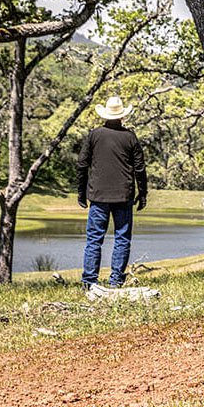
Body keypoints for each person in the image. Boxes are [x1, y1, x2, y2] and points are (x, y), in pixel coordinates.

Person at [77, 95, 148, 289]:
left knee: (94, 240)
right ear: (122, 116)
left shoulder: (94, 135)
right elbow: (140, 168)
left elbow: (82, 164)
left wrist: (81, 192)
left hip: (98, 196)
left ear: (105, 115)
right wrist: (143, 194)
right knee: (122, 239)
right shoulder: (130, 137)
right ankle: (116, 281)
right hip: (123, 195)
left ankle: (89, 282)